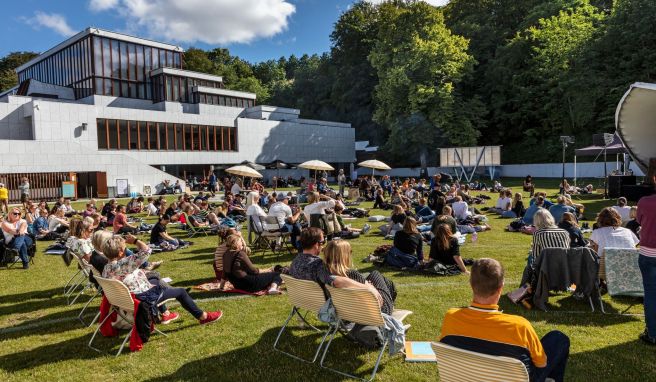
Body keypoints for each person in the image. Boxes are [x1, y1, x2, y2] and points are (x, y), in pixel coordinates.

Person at [439, 258, 570, 381]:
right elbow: (541, 364)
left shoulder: (451, 317)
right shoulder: (520, 326)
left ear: (471, 284)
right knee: (558, 338)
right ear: (501, 288)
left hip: (465, 377)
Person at [102, 234, 222, 325]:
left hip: (125, 301)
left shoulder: (106, 269)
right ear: (121, 251)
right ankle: (203, 316)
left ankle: (164, 313)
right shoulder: (125, 263)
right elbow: (146, 250)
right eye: (125, 247)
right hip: (142, 299)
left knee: (156, 279)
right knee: (181, 292)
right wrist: (135, 240)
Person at [289, 227, 383, 304]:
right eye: (323, 242)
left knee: (369, 277)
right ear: (316, 245)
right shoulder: (318, 265)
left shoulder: (295, 262)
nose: (323, 246)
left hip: (304, 300)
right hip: (326, 303)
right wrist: (368, 287)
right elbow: (336, 281)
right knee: (377, 276)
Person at [323, 240, 396, 314]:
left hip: (346, 312)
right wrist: (370, 286)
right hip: (379, 311)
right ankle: (391, 303)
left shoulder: (324, 274)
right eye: (350, 252)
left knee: (379, 279)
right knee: (376, 274)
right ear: (344, 255)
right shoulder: (352, 274)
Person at [589, 207, 639, 278]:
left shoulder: (597, 232)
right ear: (618, 217)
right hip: (629, 267)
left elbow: (595, 253)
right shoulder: (627, 231)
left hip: (606, 270)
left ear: (600, 219)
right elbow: (634, 245)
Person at [637, 174, 656, 345]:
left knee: (651, 293)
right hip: (648, 253)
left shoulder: (645, 202)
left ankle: (653, 333)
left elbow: (639, 220)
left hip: (649, 253)